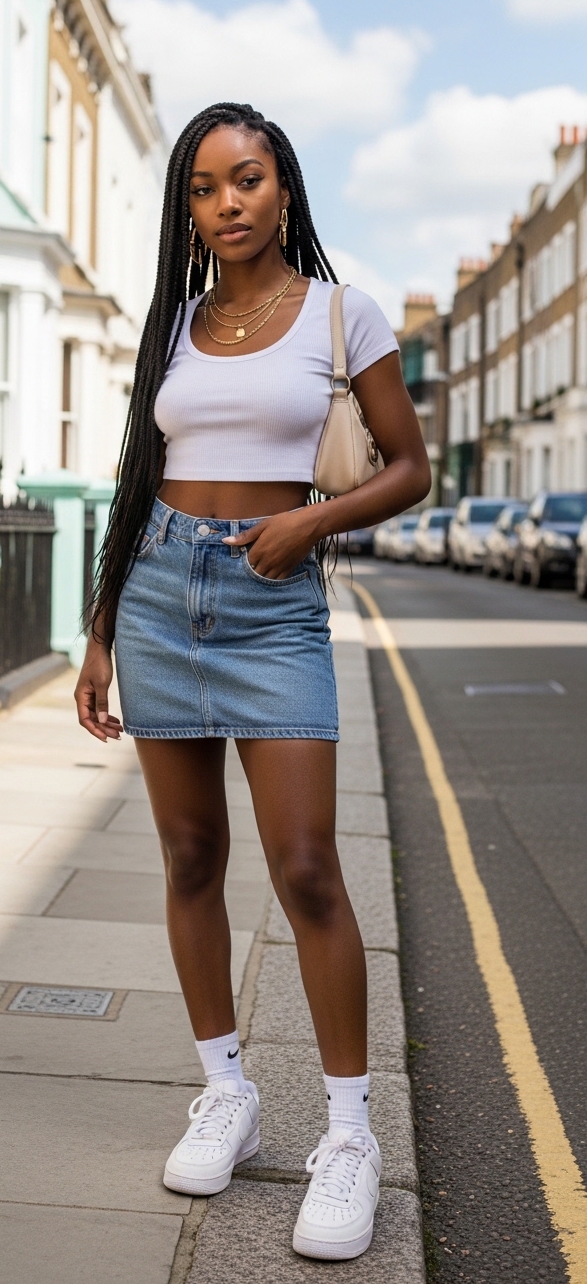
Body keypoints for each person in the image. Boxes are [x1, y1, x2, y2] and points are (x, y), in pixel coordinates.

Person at [75, 102, 430, 1261]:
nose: (228, 203)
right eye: (205, 188)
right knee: (188, 857)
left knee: (308, 867)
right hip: (161, 593)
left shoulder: (342, 312)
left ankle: (348, 1135)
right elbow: (140, 471)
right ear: (187, 209)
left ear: (284, 190)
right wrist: (97, 630)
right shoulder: (171, 324)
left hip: (274, 601)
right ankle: (226, 1090)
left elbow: (410, 467)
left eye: (249, 180)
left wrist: (311, 523)